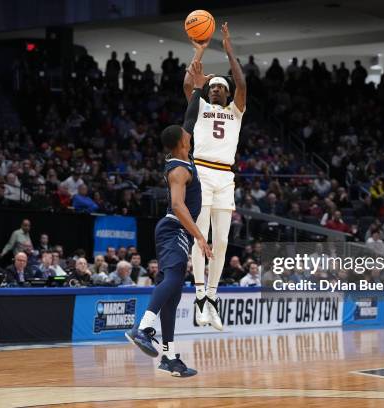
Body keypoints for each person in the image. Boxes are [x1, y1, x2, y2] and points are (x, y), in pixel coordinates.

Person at [126, 61, 212, 377]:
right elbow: (177, 206)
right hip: (174, 227)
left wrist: (198, 85)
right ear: (180, 143)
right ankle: (143, 328)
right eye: (186, 136)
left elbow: (191, 115)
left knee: (173, 296)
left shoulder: (183, 154)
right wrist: (200, 237)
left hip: (178, 232)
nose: (190, 135)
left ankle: (168, 357)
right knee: (172, 280)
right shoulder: (178, 169)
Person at [183, 22, 246, 331]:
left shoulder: (236, 111)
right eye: (213, 86)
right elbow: (188, 84)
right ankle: (197, 298)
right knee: (201, 237)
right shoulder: (200, 107)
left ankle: (211, 299)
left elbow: (242, 83)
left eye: (221, 86)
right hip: (202, 172)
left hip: (225, 178)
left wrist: (229, 48)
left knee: (221, 242)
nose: (217, 88)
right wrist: (200, 50)